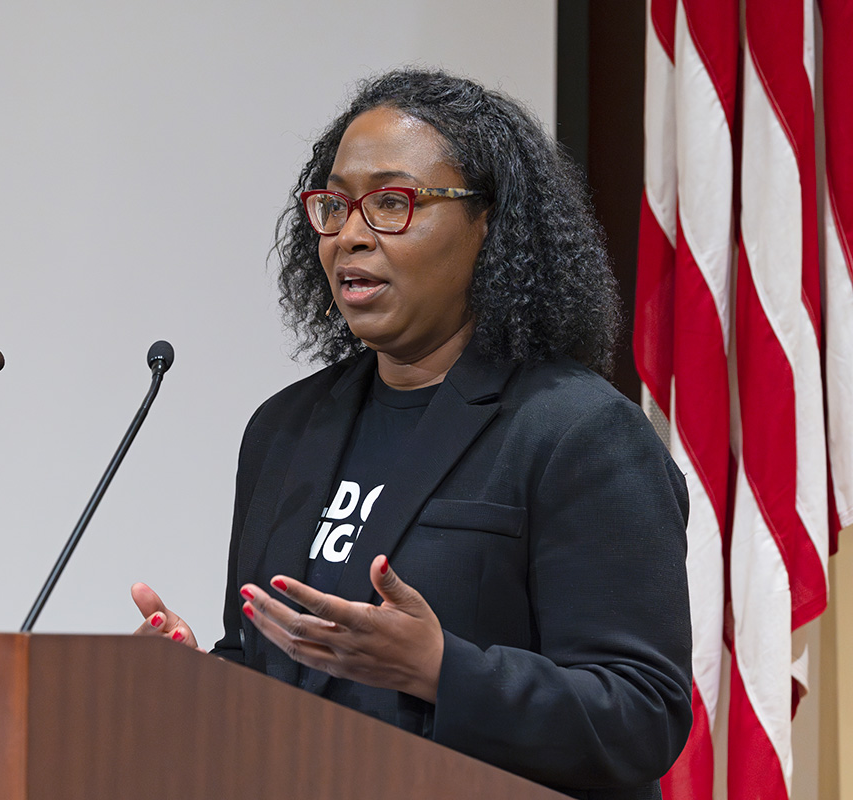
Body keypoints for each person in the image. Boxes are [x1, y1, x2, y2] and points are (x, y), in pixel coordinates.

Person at [131, 69, 691, 800]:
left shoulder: (578, 432)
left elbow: (641, 715)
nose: (352, 235)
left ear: (491, 225)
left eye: (392, 203)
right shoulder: (285, 430)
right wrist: (199, 679)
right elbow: (276, 671)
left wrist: (441, 670)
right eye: (334, 206)